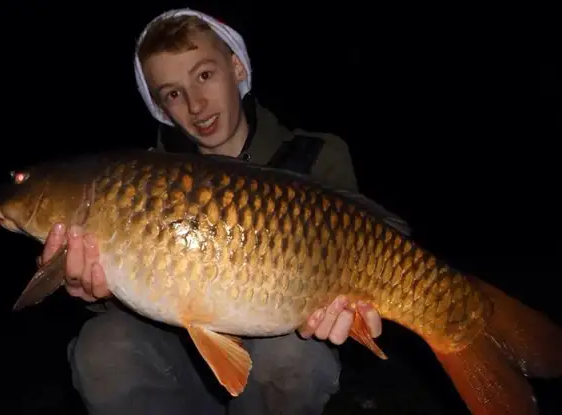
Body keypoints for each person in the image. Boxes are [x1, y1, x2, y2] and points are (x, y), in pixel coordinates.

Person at [40, 8, 384, 415]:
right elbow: (134, 286)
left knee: (296, 357)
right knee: (101, 347)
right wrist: (92, 291)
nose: (196, 105)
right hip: (176, 354)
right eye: (172, 93)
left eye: (204, 75)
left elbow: (360, 261)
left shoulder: (316, 157)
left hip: (276, 349)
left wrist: (348, 310)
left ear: (236, 67)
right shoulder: (138, 183)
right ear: (162, 108)